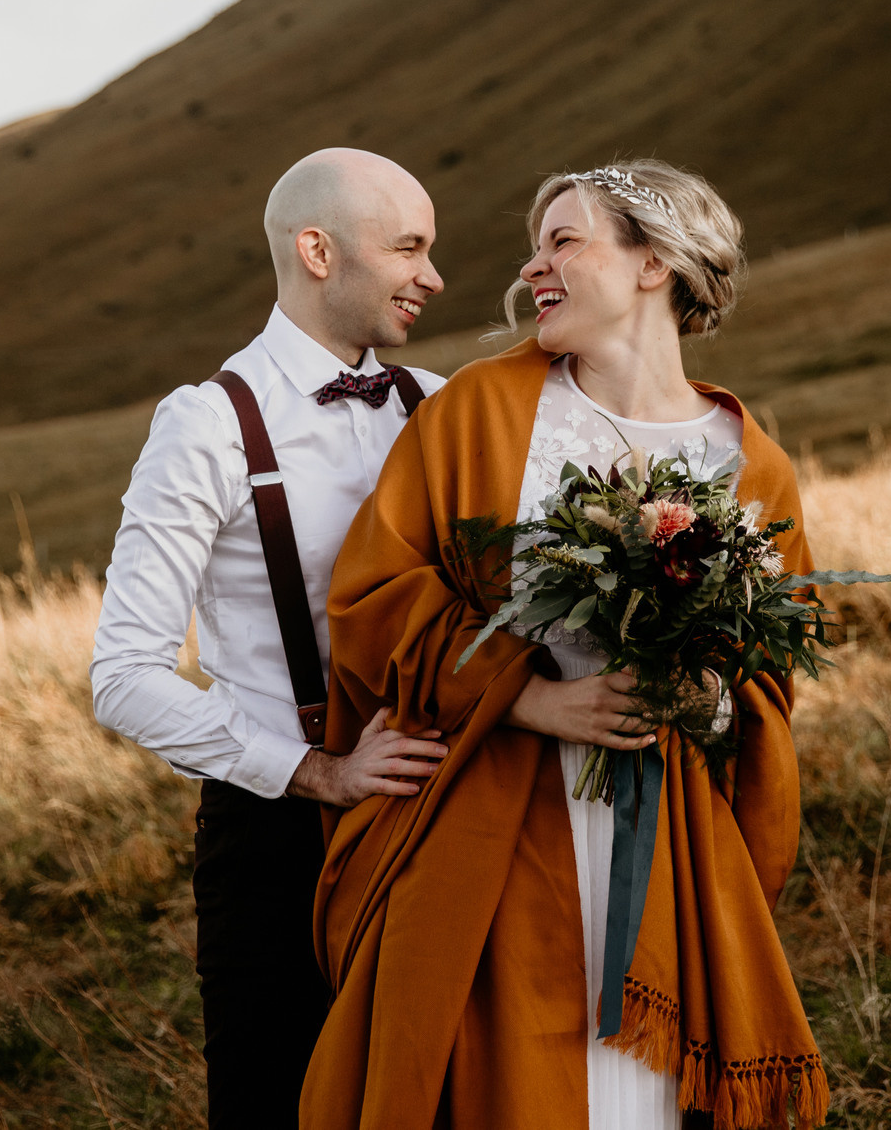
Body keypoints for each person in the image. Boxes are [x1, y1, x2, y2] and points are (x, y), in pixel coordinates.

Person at [301, 161, 827, 1130]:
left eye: (564, 240)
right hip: (499, 824)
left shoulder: (753, 463)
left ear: (653, 264)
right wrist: (530, 698)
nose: (532, 265)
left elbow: (768, 680)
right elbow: (374, 594)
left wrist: (698, 693)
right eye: (535, 244)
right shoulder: (478, 412)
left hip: (666, 836)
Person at [90, 148, 456, 1130]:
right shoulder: (207, 426)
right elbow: (122, 675)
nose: (433, 276)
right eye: (409, 248)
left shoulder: (440, 402)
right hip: (275, 842)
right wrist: (316, 773)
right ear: (318, 250)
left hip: (442, 814)